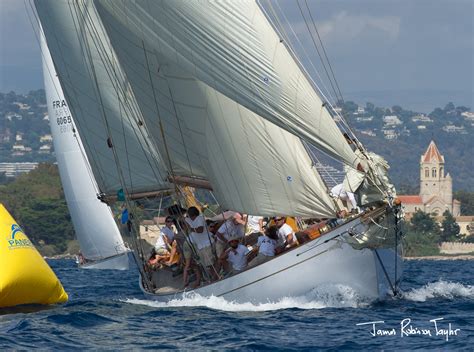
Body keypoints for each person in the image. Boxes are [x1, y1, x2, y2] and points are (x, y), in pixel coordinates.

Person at [183, 206, 215, 287]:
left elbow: (200, 230)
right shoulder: (190, 220)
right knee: (204, 264)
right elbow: (183, 220)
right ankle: (210, 278)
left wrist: (191, 229)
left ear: (191, 215)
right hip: (200, 246)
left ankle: (214, 279)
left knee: (210, 264)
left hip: (207, 244)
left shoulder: (200, 218)